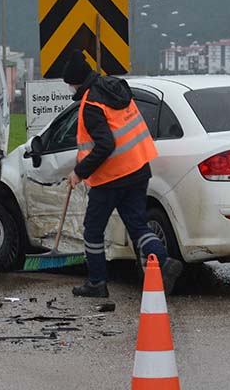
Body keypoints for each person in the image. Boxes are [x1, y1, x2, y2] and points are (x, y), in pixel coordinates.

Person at [62, 50, 183, 298]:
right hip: (138, 169)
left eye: (70, 84)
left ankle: (96, 283)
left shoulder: (92, 105)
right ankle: (163, 261)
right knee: (137, 224)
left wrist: (79, 172)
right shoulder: (114, 89)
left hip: (111, 178)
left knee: (92, 230)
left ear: (77, 82)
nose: (70, 89)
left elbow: (105, 145)